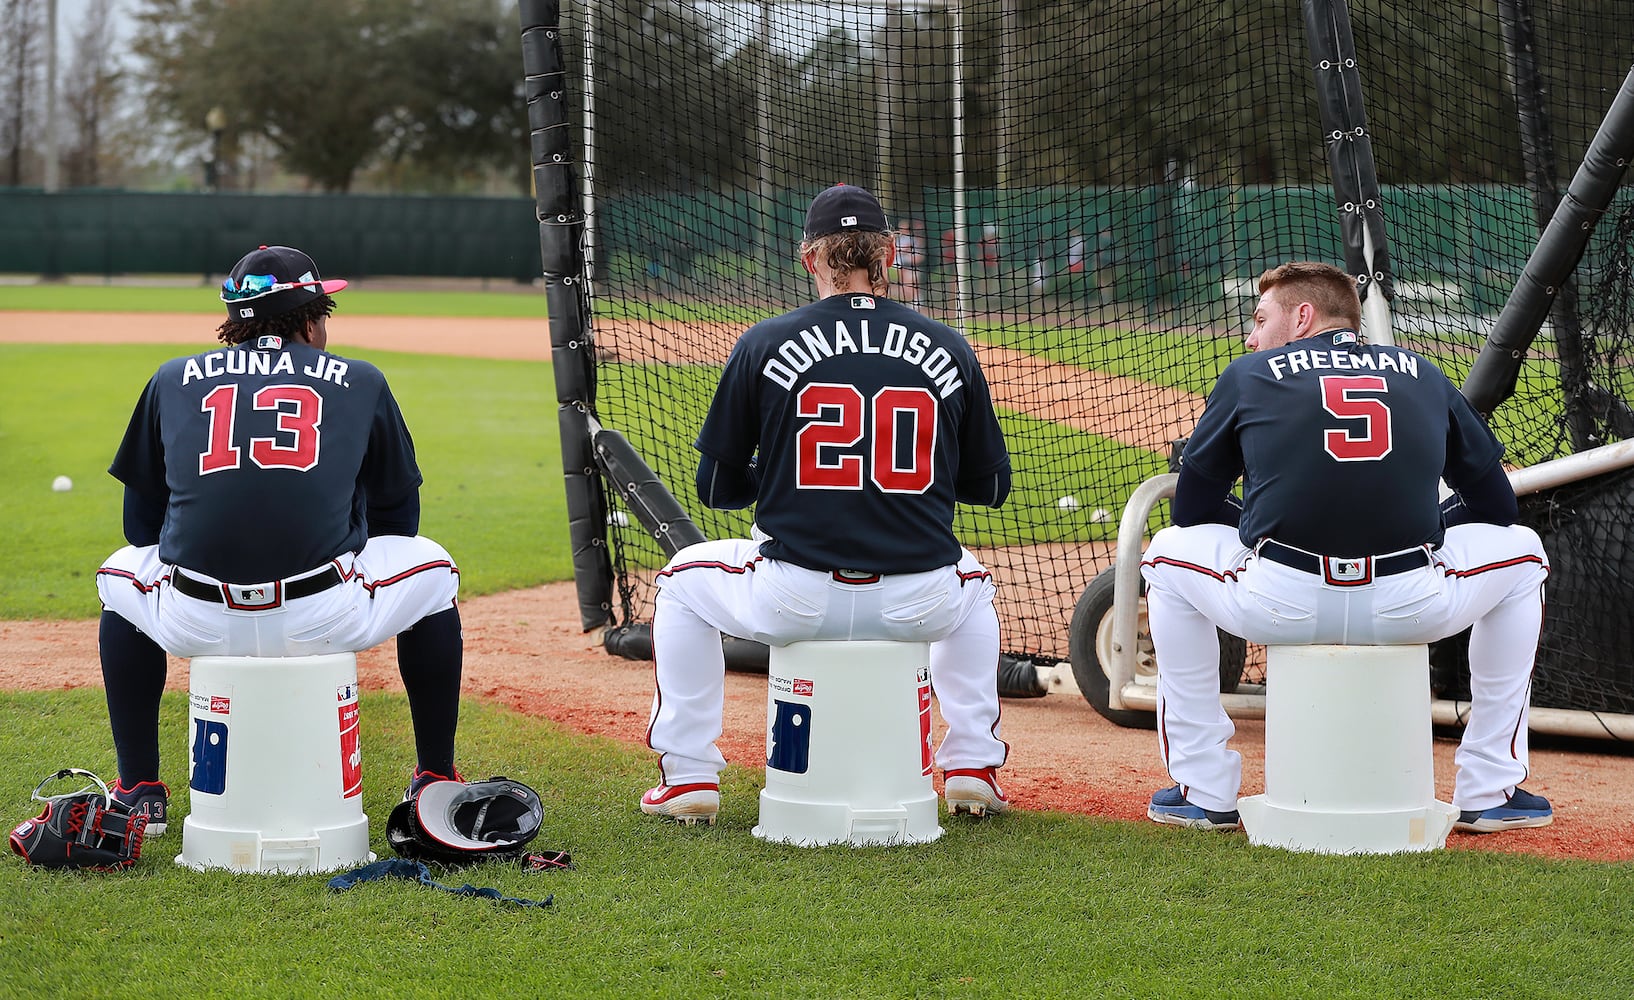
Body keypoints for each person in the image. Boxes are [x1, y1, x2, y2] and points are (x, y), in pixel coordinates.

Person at [641, 184, 1013, 825]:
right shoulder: (948, 345)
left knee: (678, 584)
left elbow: (714, 488)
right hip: (916, 601)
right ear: (889, 255)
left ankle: (689, 776)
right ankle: (972, 764)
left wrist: (788, 478)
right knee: (975, 585)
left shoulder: (764, 342)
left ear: (809, 258)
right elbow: (992, 488)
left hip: (793, 597)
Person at [1139, 261, 1551, 835]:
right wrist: (1435, 522)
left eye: (1261, 318)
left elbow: (1191, 508)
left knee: (1164, 551)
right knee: (1525, 554)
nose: (1251, 335)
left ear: (1302, 317)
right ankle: (1489, 790)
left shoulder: (1249, 374)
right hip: (1409, 603)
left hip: (1281, 603)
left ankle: (1205, 791)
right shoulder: (1424, 373)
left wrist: (1256, 526)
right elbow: (1497, 505)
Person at [94, 245, 465, 835]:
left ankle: (139, 789)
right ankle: (435, 778)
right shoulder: (361, 379)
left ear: (235, 319)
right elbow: (402, 521)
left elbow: (140, 529)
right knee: (435, 568)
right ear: (310, 318)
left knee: (121, 575)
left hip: (195, 619)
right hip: (323, 613)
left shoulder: (170, 378)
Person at [891, 219, 924, 309]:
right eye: (901, 227)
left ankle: (916, 301)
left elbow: (917, 254)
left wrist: (904, 250)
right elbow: (897, 251)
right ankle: (907, 302)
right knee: (903, 286)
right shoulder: (898, 240)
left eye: (904, 228)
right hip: (900, 266)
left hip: (911, 266)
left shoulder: (912, 239)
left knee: (912, 284)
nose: (903, 229)